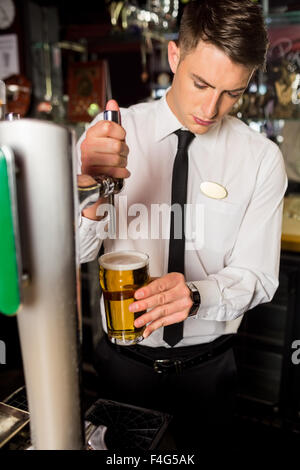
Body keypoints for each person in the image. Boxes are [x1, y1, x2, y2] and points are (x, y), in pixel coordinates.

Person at [77, 0, 287, 448]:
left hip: (209, 371)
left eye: (233, 92)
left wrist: (195, 295)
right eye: (201, 83)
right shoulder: (113, 132)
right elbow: (69, 255)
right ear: (174, 56)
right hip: (123, 364)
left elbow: (260, 278)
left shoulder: (261, 159)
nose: (212, 108)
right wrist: (91, 191)